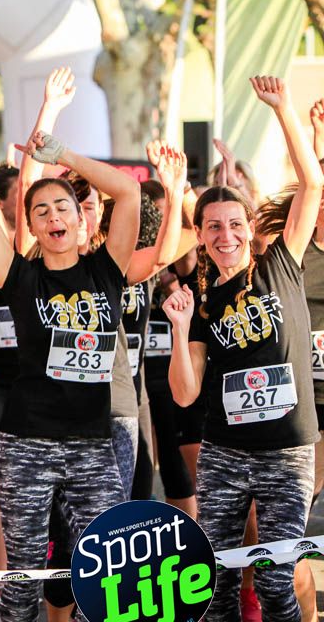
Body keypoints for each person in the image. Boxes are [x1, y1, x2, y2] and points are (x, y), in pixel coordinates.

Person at [0, 79, 140, 622]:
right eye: (42, 212)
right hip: (26, 445)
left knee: (105, 575)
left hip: (93, 447)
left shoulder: (107, 271)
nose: (53, 217)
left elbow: (129, 192)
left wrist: (62, 155)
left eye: (63, 208)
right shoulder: (20, 277)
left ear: (79, 221)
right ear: (31, 226)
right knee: (23, 580)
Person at [165, 76, 322, 622]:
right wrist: (182, 331)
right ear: (201, 235)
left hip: (287, 450)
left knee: (278, 584)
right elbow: (185, 395)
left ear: (249, 226)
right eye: (213, 227)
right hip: (227, 453)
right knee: (217, 585)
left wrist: (283, 110)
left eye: (234, 224)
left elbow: (311, 182)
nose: (225, 234)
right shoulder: (203, 302)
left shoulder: (283, 262)